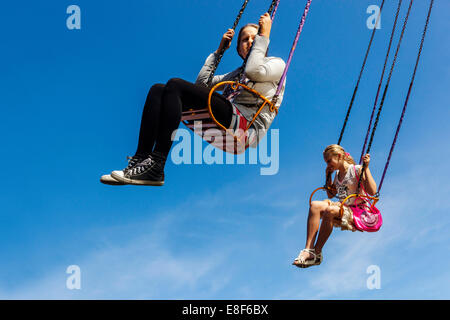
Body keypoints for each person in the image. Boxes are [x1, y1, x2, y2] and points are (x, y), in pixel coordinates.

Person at [100, 12, 286, 186]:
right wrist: (219, 52)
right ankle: (140, 159)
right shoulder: (235, 74)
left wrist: (264, 35)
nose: (250, 41)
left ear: (264, 43)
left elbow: (254, 70)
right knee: (157, 90)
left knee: (176, 85)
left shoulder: (276, 64)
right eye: (245, 39)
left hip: (246, 129)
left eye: (255, 37)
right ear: (238, 49)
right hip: (228, 123)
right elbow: (201, 86)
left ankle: (157, 164)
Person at [292, 144, 377, 268]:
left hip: (358, 211)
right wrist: (328, 176)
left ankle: (317, 252)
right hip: (344, 206)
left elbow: (373, 191)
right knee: (315, 205)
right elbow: (331, 194)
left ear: (339, 156)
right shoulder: (337, 174)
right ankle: (308, 249)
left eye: (329, 161)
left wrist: (366, 168)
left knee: (330, 210)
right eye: (326, 162)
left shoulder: (357, 169)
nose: (328, 165)